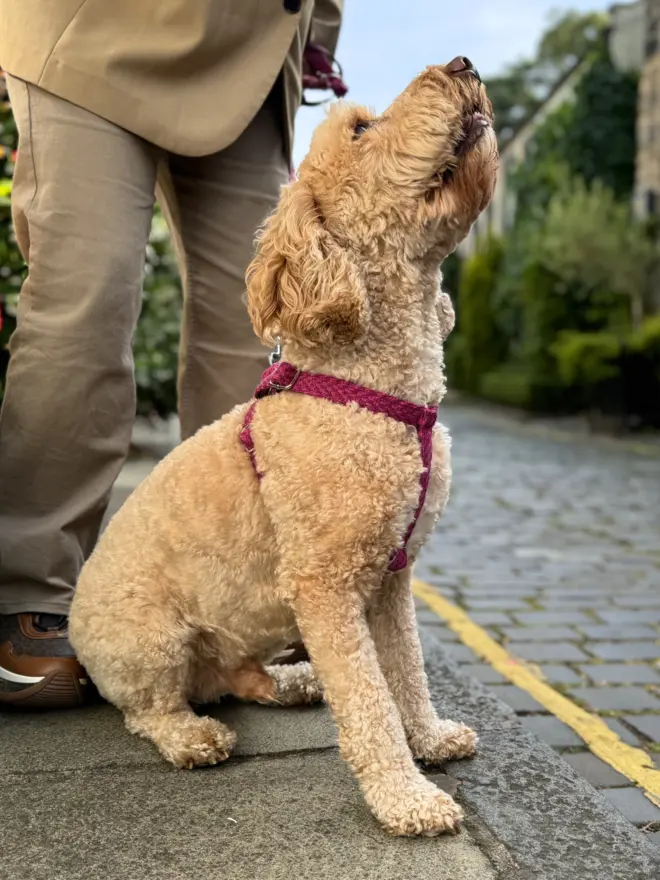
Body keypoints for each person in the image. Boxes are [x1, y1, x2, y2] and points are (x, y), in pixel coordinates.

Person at [0, 0, 344, 709]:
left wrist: (317, 31)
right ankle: (31, 590)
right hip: (89, 26)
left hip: (249, 51)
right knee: (86, 299)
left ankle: (237, 592)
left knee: (247, 327)